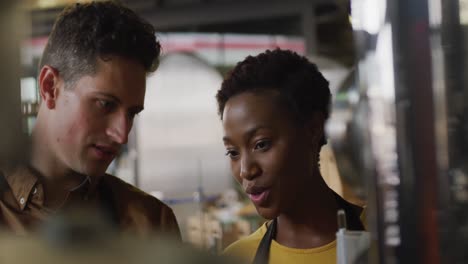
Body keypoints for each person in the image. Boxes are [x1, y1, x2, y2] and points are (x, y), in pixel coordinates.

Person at [0, 1, 180, 239]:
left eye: (132, 113)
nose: (122, 134)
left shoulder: (151, 223)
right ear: (50, 87)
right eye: (105, 104)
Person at [216, 49, 365, 263]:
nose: (246, 170)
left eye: (261, 144)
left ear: (313, 129)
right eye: (233, 152)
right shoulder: (237, 259)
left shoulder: (388, 240)